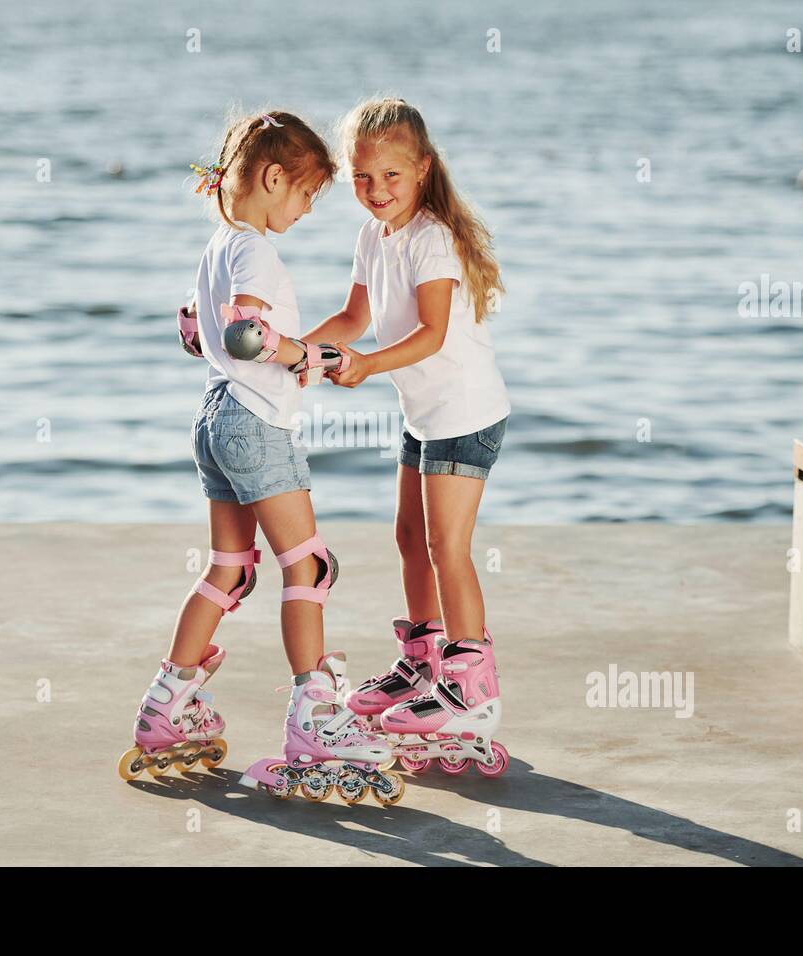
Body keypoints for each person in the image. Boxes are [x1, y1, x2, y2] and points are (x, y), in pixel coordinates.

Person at [118, 109, 399, 804]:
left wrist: (268, 349)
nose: (306, 210)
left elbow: (195, 332)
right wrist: (301, 353)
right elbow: (246, 335)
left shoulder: (219, 245)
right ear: (274, 178)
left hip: (214, 418)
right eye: (305, 194)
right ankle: (315, 721)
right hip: (253, 420)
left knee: (229, 571)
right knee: (308, 566)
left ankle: (166, 707)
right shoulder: (256, 252)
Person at [299, 97, 511, 776]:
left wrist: (364, 366)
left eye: (390, 176)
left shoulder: (432, 238)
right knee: (407, 539)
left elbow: (432, 334)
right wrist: (292, 349)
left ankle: (471, 689)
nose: (376, 191)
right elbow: (355, 314)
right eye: (362, 179)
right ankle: (423, 663)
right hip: (425, 412)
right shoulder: (374, 236)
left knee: (447, 547)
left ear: (421, 169)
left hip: (465, 412)